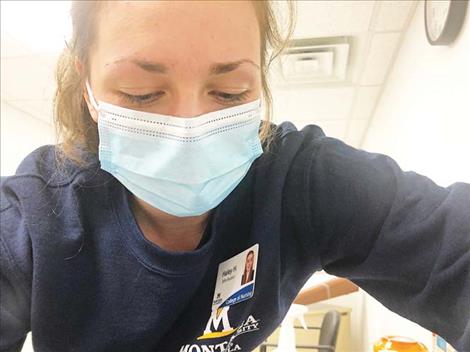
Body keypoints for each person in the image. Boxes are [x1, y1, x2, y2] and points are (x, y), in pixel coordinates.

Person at [0, 1, 468, 351]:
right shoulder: (34, 218)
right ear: (88, 90)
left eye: (228, 92)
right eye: (141, 94)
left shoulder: (301, 181)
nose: (188, 129)